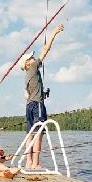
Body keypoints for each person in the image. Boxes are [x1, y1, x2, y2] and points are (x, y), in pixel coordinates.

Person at [18, 23, 64, 169]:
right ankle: (36, 163)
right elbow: (46, 49)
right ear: (27, 63)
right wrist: (54, 33)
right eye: (31, 58)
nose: (33, 58)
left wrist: (43, 94)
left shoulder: (28, 75)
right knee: (38, 134)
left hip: (30, 105)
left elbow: (31, 93)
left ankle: (28, 161)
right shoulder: (32, 67)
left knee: (30, 133)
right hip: (37, 105)